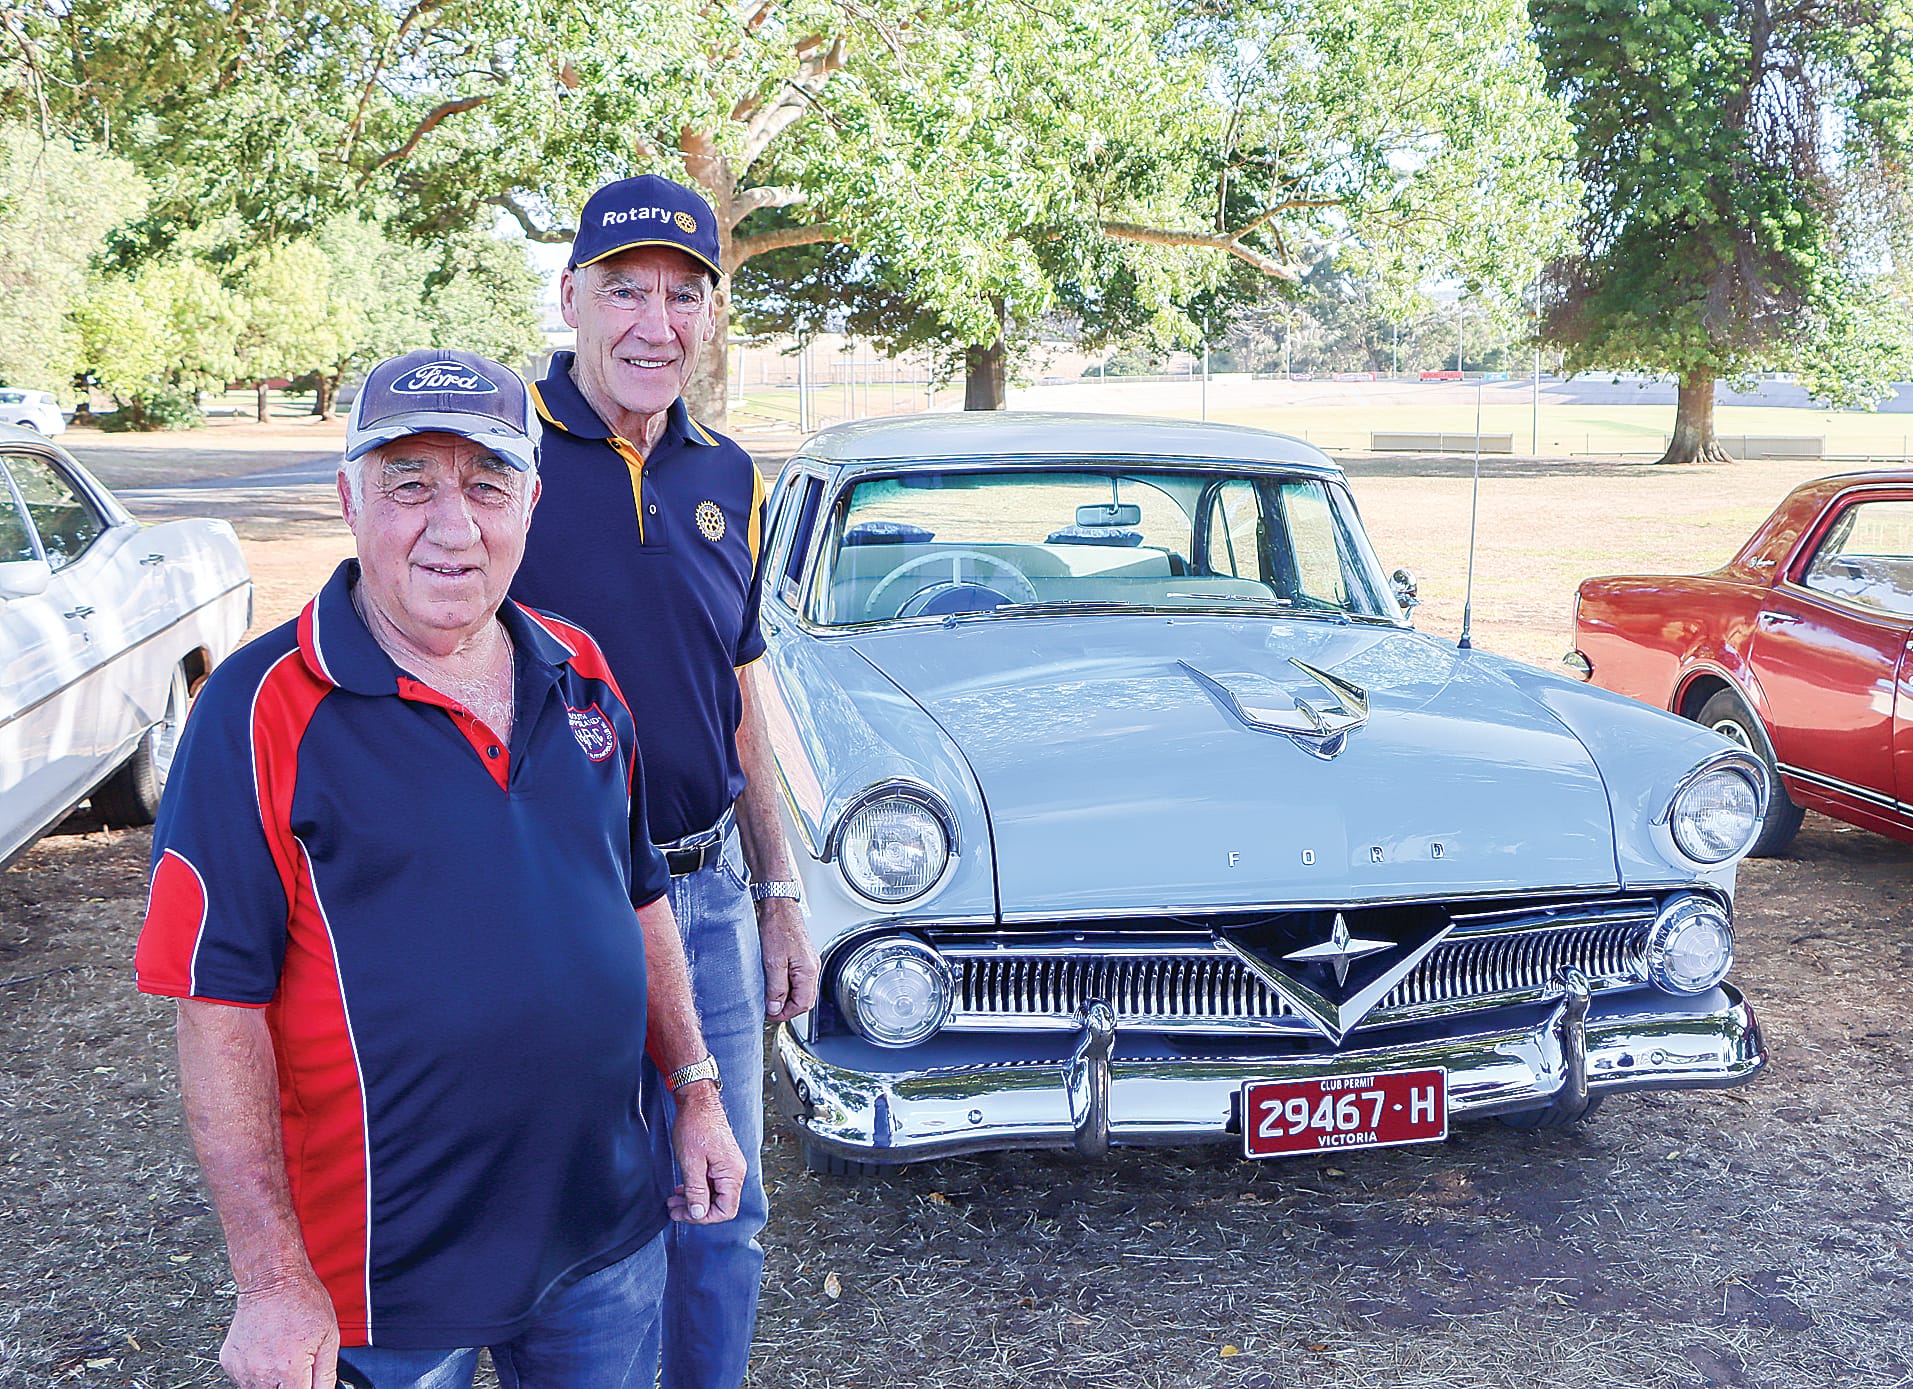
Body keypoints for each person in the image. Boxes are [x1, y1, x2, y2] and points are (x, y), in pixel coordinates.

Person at [133, 348, 745, 1389]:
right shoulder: (256, 711)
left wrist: (695, 1089)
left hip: (604, 1238)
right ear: (348, 499)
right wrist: (271, 1280)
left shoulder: (579, 668)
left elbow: (637, 896)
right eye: (408, 482)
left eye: (484, 484)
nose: (451, 526)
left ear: (531, 504)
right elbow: (215, 1007)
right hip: (381, 1283)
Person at [509, 174, 819, 1389]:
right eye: (625, 289)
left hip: (708, 900)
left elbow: (735, 691)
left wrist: (782, 887)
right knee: (589, 1233)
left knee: (722, 1206)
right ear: (570, 295)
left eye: (684, 294)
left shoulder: (728, 473)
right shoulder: (501, 460)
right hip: (557, 909)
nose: (655, 321)